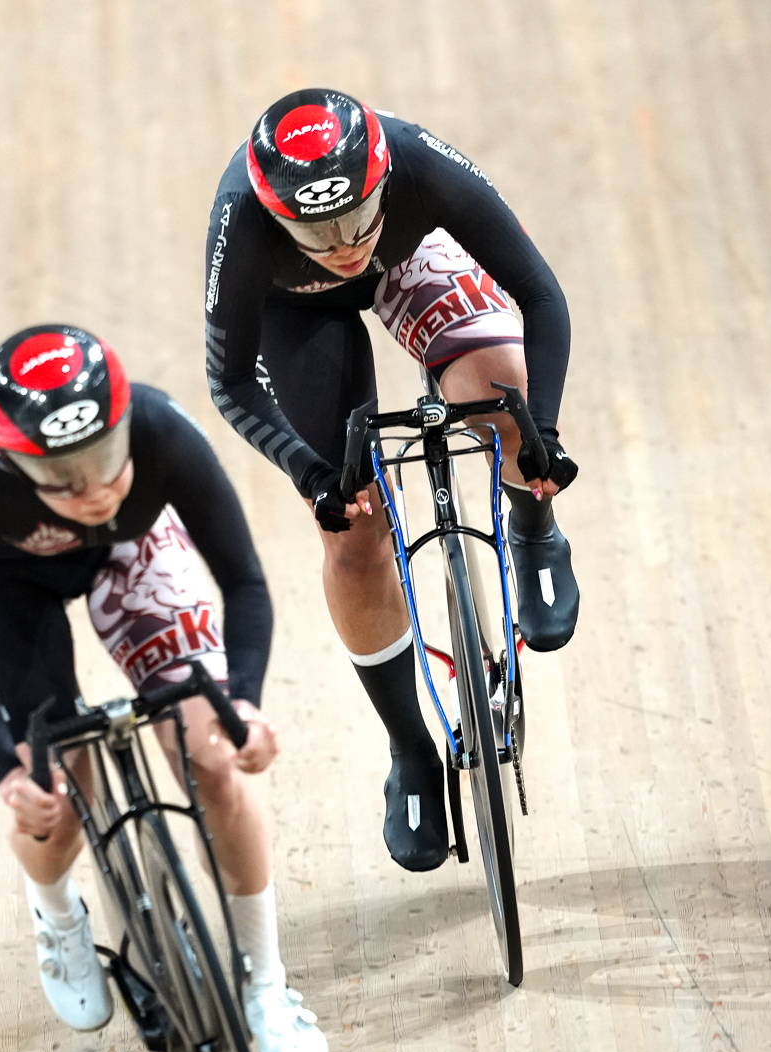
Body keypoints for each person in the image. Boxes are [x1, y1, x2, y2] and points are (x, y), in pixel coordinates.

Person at [203, 88, 581, 873]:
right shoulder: (240, 221)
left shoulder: (414, 160)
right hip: (295, 313)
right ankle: (410, 748)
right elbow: (230, 380)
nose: (341, 244)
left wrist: (540, 427)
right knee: (353, 532)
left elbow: (541, 294)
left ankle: (533, 524)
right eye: (316, 229)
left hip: (407, 255)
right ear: (277, 214)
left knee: (501, 392)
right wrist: (312, 477)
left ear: (379, 177)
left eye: (353, 217)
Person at [0, 323, 327, 1052]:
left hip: (134, 550)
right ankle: (56, 914)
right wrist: (8, 777)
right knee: (60, 790)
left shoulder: (158, 426)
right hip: (15, 594)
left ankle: (268, 989)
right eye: (64, 476)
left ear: (121, 424)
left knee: (212, 758)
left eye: (105, 461)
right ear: (13, 463)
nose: (93, 490)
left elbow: (245, 583)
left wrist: (241, 704)